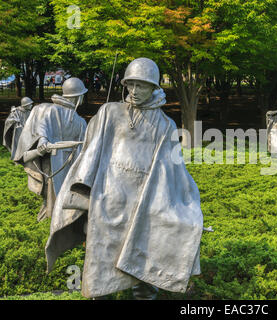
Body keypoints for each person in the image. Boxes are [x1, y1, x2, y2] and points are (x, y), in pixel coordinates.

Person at [45, 58, 203, 300]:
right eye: (131, 85)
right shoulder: (109, 112)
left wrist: (187, 208)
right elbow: (91, 153)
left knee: (144, 274)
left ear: (154, 87)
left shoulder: (165, 125)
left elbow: (174, 172)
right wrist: (86, 195)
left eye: (142, 85)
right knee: (100, 271)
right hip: (107, 201)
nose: (135, 91)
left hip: (144, 204)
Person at [13, 78, 87, 221]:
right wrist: (43, 142)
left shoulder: (80, 121)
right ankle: (46, 218)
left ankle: (58, 219)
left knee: (63, 192)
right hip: (52, 159)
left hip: (68, 162)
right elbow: (43, 128)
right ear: (78, 97)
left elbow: (82, 146)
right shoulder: (52, 110)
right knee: (50, 192)